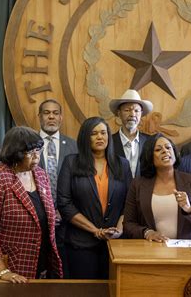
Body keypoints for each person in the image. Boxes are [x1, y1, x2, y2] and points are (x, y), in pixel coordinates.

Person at [0, 127, 62, 282]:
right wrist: (2, 271)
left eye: (38, 151)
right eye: (29, 152)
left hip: (42, 263)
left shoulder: (40, 174)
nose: (36, 157)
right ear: (16, 153)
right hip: (10, 266)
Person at [57, 117, 132, 279]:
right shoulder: (71, 162)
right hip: (80, 244)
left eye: (103, 133)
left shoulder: (122, 164)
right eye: (94, 133)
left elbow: (130, 202)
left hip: (115, 244)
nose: (100, 137)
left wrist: (119, 229)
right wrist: (95, 230)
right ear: (85, 137)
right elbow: (64, 203)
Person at [124, 133, 191, 242]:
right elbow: (128, 224)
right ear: (149, 156)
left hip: (184, 253)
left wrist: (189, 208)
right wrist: (147, 233)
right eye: (158, 149)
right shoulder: (137, 184)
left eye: (168, 147)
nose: (165, 151)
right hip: (150, 251)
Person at [37, 99, 77, 275]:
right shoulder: (28, 143)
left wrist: (64, 210)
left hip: (67, 221)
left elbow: (77, 184)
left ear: (61, 117)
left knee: (63, 271)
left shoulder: (74, 146)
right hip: (36, 217)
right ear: (39, 117)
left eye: (55, 113)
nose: (51, 116)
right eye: (46, 113)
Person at [109, 89, 153, 177]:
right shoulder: (109, 142)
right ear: (119, 113)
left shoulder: (151, 141)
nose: (132, 114)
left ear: (141, 114)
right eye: (127, 110)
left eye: (136, 111)